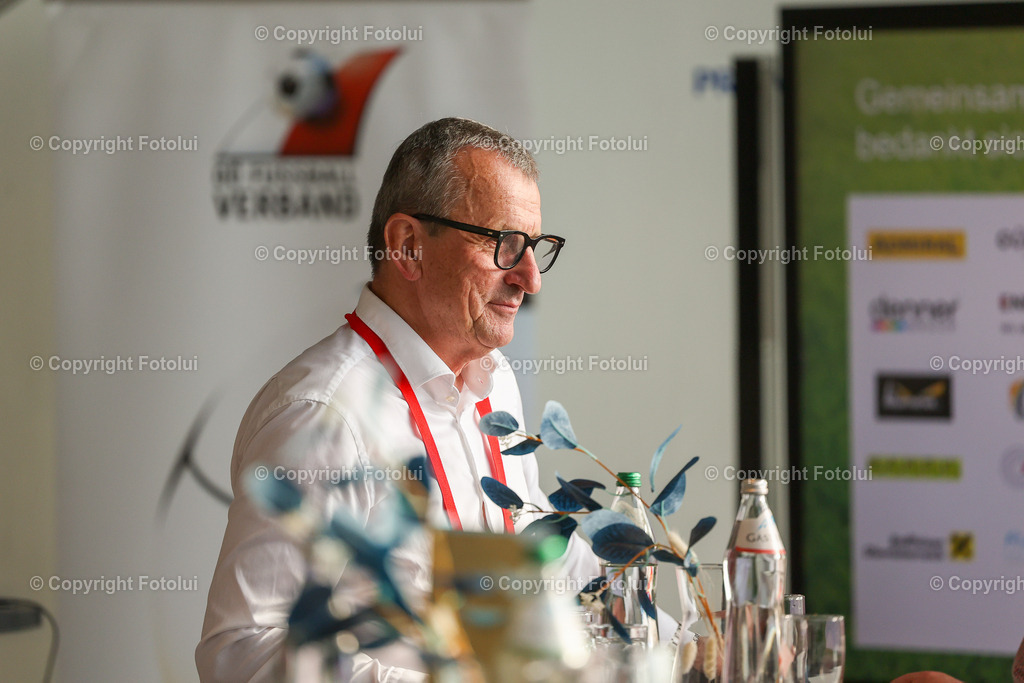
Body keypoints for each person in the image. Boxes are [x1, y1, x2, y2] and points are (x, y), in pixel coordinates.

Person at [196, 118, 600, 682]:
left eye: (536, 246)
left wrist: (666, 620)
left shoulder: (493, 379)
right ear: (408, 246)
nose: (530, 279)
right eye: (505, 245)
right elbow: (241, 651)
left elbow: (531, 555)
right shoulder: (323, 414)